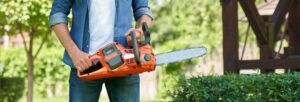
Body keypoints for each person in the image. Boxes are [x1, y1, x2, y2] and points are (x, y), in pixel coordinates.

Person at [49, 0, 153, 102]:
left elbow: (143, 10)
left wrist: (139, 31)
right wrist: (74, 53)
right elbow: (57, 14)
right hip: (85, 63)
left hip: (124, 61)